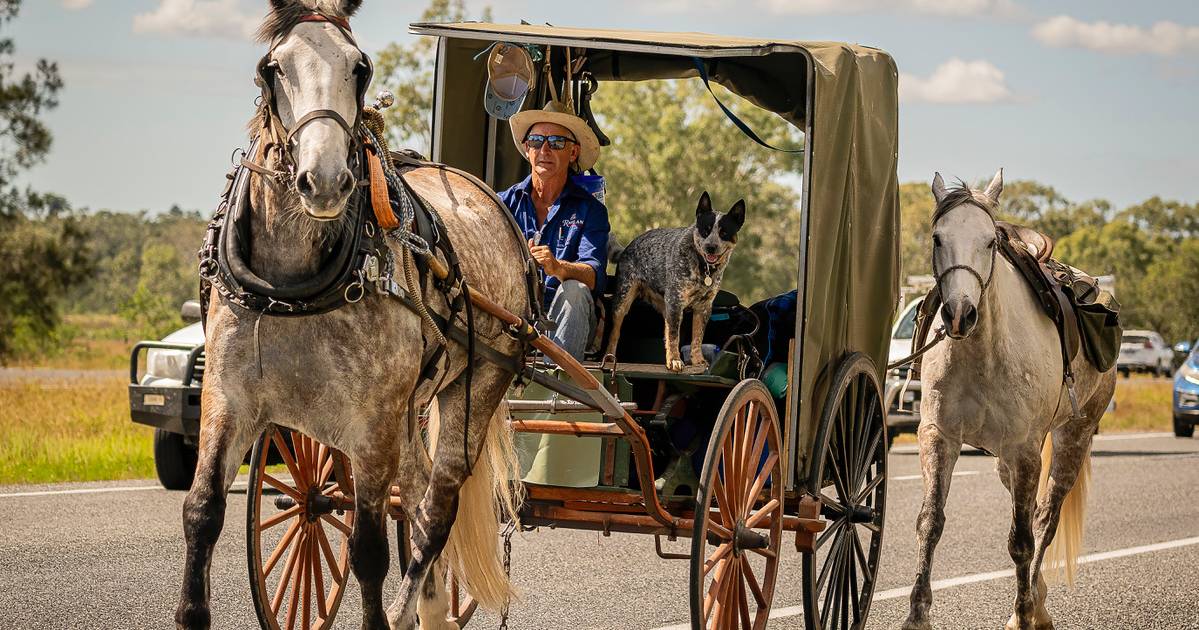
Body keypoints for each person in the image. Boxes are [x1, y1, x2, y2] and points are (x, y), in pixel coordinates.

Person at [499, 100, 609, 361]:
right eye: (536, 141)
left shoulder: (591, 210)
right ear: (527, 149)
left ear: (573, 153)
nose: (544, 149)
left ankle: (557, 392)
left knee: (575, 290)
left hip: (566, 318)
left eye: (557, 142)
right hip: (512, 316)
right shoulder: (502, 203)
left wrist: (558, 267)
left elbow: (593, 276)